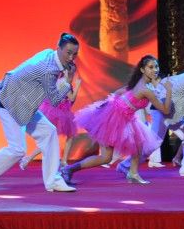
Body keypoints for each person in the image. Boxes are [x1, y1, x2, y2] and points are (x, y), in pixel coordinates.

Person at [0, 33, 80, 194]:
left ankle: (53, 180)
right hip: (9, 104)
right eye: (68, 53)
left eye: (75, 54)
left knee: (49, 132)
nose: (71, 58)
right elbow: (55, 100)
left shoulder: (49, 53)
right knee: (17, 149)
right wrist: (68, 80)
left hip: (23, 104)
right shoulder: (49, 69)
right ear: (58, 48)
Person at [61, 55, 171, 185]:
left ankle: (133, 173)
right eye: (151, 67)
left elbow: (120, 91)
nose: (155, 70)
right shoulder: (145, 89)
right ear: (142, 70)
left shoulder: (140, 84)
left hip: (122, 116)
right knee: (107, 157)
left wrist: (112, 103)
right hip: (114, 118)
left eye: (156, 66)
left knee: (136, 145)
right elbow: (165, 110)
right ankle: (69, 169)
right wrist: (169, 91)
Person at [20, 69, 82, 169]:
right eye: (71, 73)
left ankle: (64, 161)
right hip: (55, 113)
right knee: (49, 139)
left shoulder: (65, 82)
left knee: (69, 136)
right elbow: (71, 98)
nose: (73, 75)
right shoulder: (63, 82)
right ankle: (29, 158)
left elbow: (69, 102)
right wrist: (78, 86)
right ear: (66, 72)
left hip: (62, 112)